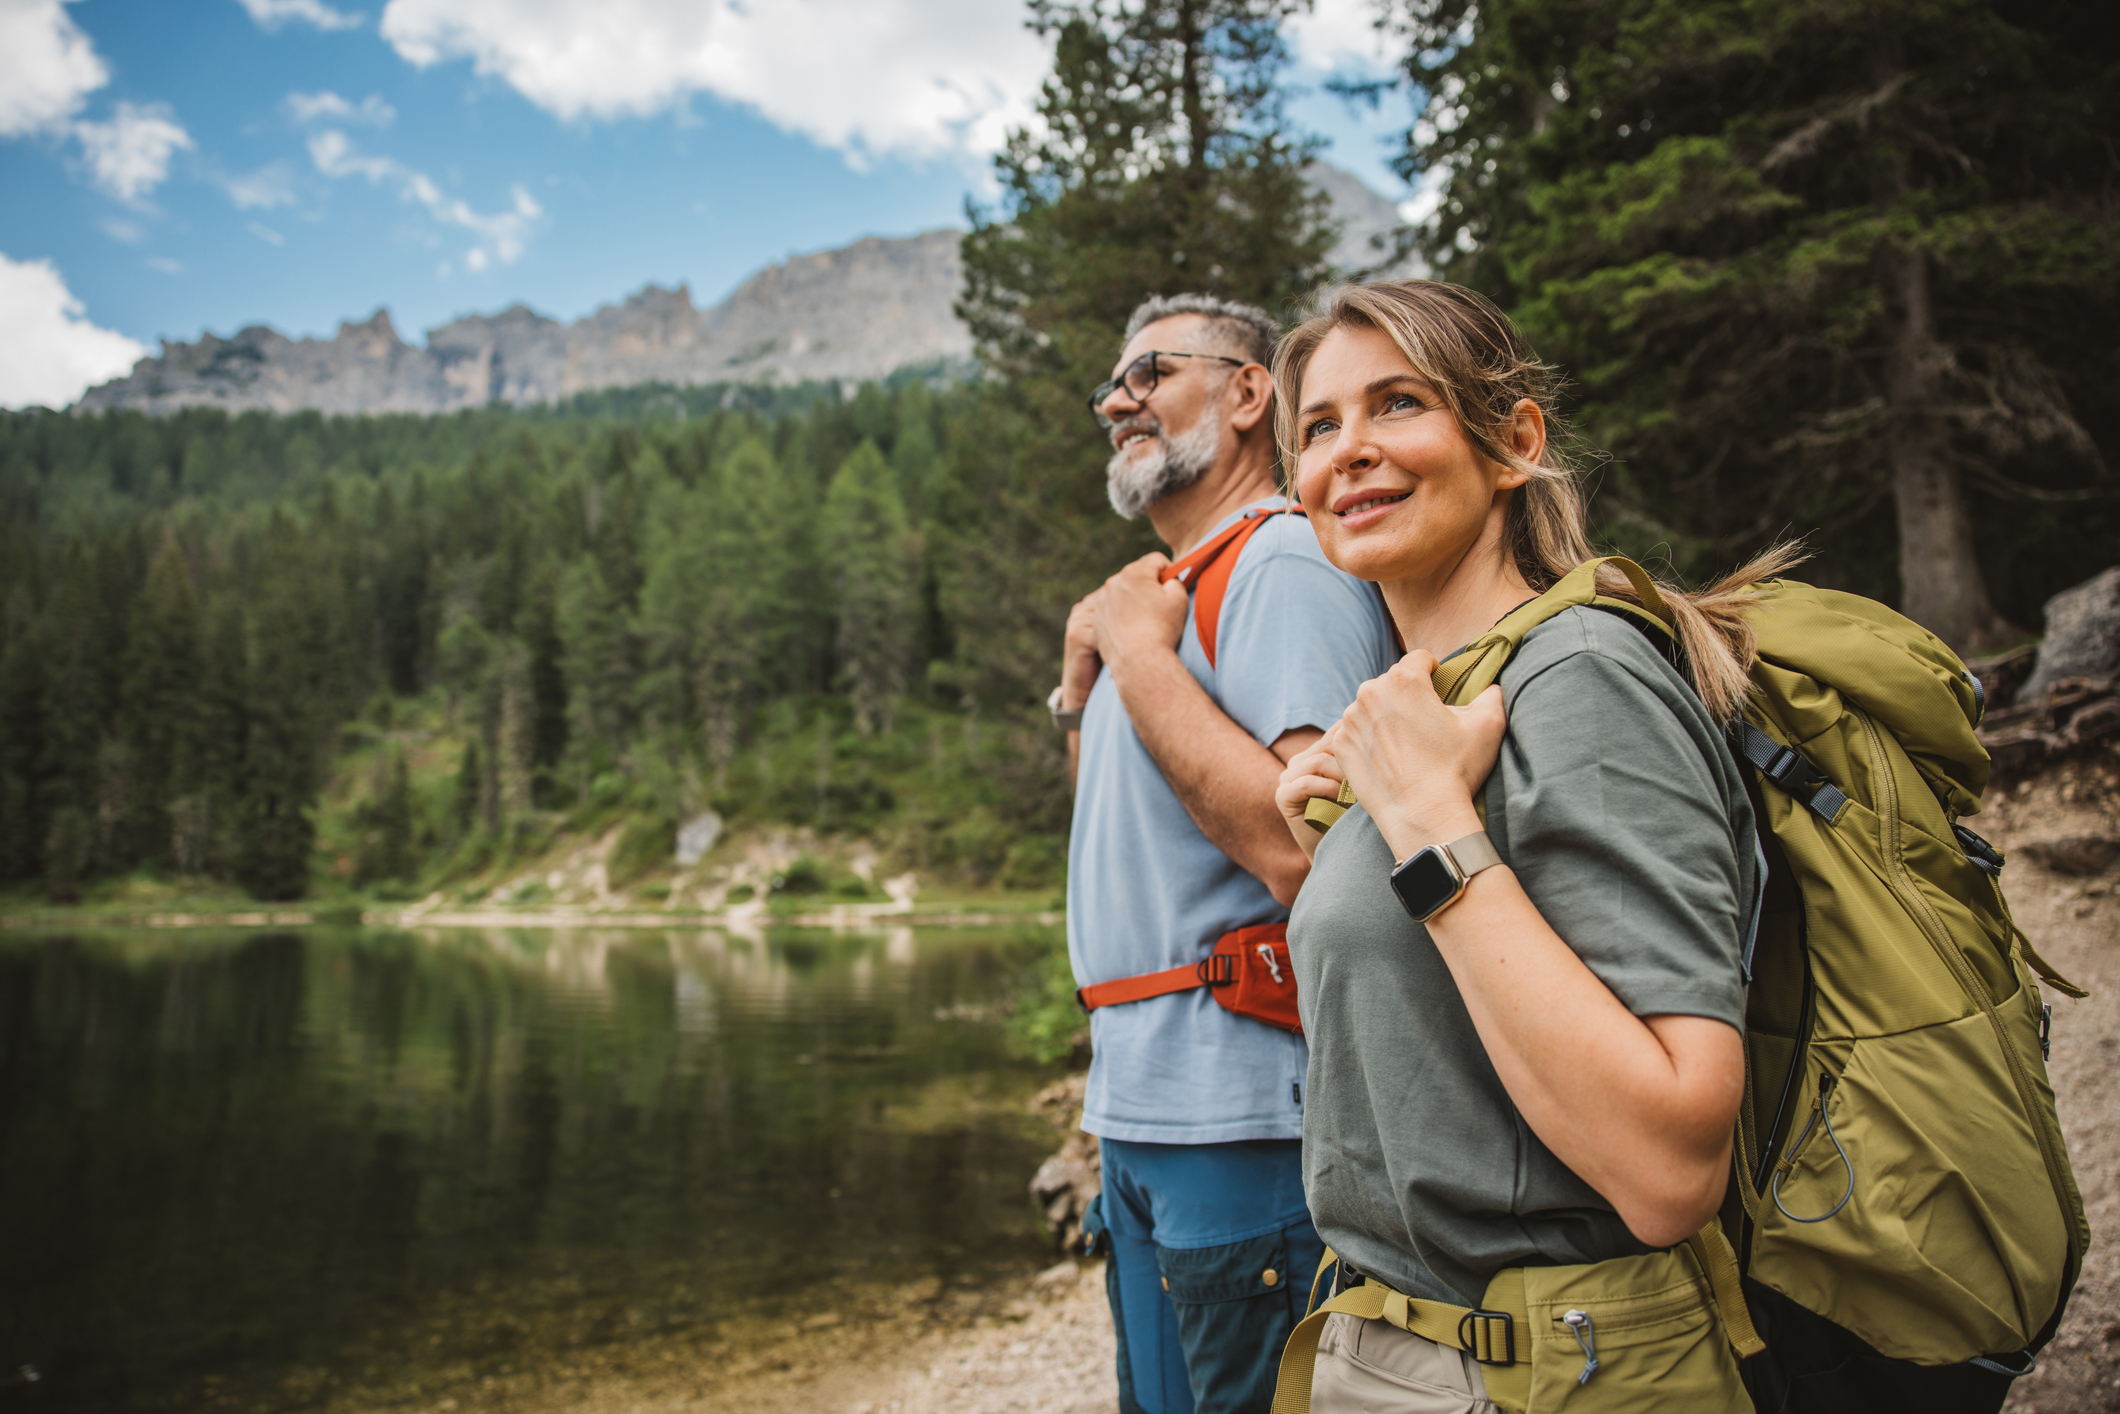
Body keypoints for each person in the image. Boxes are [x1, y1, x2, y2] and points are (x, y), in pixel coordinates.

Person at [1269, 280, 1784, 1412]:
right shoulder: (1433, 712)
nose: (1348, 451)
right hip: (1407, 1342)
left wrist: (1429, 832)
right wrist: (1362, 824)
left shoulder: (1579, 676)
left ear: (1512, 442)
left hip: (1550, 1370)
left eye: (1396, 404)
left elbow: (1666, 1168)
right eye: (1317, 427)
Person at [1058, 293, 1399, 1414]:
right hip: (1140, 1113)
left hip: (1245, 1115)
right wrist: (1084, 689)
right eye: (1115, 381)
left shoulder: (1282, 565)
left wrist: (1134, 653)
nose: (1118, 400)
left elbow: (1312, 849)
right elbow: (1128, 841)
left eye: (1150, 371)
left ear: (1249, 393)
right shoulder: (1151, 604)